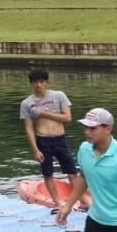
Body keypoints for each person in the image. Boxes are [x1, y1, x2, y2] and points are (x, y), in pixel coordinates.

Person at [19, 69, 88, 213]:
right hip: (43, 141)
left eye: (42, 82)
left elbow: (67, 118)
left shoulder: (58, 96)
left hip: (60, 139)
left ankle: (83, 202)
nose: (39, 85)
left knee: (72, 172)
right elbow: (28, 128)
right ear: (31, 83)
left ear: (47, 81)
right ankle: (57, 203)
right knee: (48, 173)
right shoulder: (27, 103)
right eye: (35, 82)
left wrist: (44, 113)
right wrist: (35, 149)